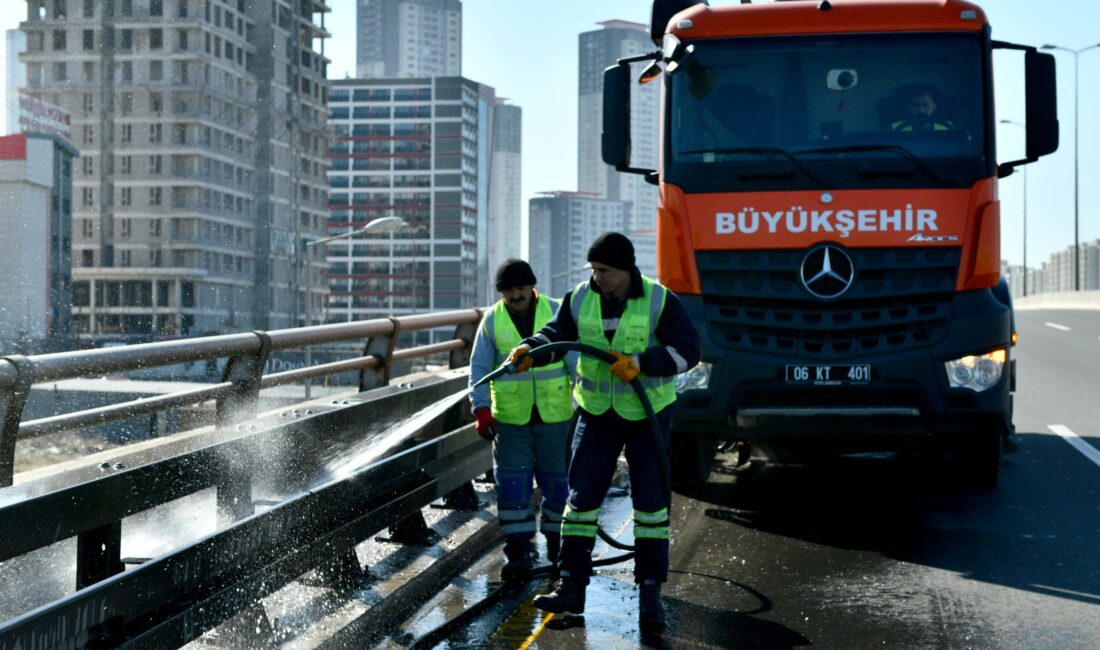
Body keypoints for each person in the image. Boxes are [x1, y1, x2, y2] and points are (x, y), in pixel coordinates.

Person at [507, 232, 701, 632]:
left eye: (605, 271)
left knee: (650, 507)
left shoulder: (660, 301)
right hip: (597, 415)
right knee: (580, 504)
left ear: (626, 269)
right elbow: (556, 334)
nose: (598, 278)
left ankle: (650, 592)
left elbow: (689, 352)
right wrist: (531, 348)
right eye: (594, 270)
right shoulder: (581, 297)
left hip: (647, 416)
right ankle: (572, 587)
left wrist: (642, 361)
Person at [468, 258, 573, 581]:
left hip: (555, 418)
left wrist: (588, 405)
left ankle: (558, 549)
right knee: (513, 488)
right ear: (501, 293)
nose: (516, 295)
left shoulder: (556, 312)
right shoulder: (491, 321)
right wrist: (480, 409)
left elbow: (576, 361)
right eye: (509, 290)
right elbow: (479, 370)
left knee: (558, 486)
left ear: (532, 287)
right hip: (511, 421)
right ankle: (518, 552)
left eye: (521, 288)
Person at [891, 84, 955, 132]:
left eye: (925, 105)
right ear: (906, 108)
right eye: (915, 105)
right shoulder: (894, 129)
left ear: (934, 107)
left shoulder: (947, 127)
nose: (921, 110)